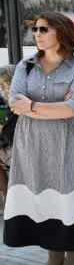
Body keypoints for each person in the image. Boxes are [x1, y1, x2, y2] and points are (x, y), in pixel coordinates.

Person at [3, 12, 74, 265]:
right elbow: (14, 103)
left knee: (67, 192)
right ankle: (53, 250)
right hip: (32, 143)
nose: (38, 35)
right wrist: (53, 107)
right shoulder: (26, 66)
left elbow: (73, 108)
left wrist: (31, 105)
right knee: (41, 191)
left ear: (61, 33)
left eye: (44, 29)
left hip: (68, 142)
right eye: (36, 30)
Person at [0, 65, 16, 213]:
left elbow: (11, 137)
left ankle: (8, 200)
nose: (1, 88)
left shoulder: (17, 102)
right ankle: (8, 198)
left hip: (22, 151)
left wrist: (2, 128)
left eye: (3, 84)